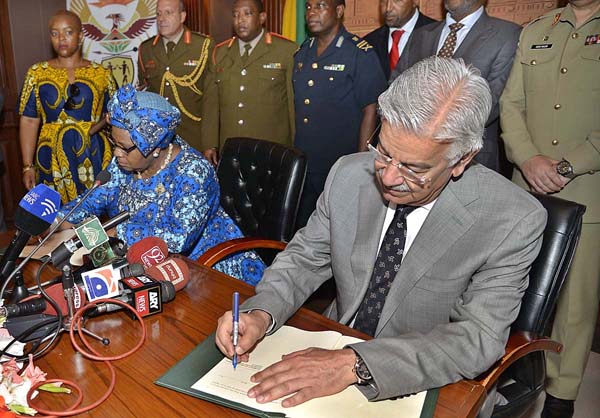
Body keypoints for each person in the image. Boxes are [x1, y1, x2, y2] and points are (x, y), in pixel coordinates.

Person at [215, 57, 546, 416]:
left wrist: (352, 365)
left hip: (431, 381)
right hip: (332, 341)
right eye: (384, 152)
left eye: (413, 168)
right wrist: (261, 312)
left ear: (462, 159)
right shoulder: (349, 174)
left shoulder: (512, 218)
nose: (388, 177)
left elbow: (477, 339)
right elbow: (305, 258)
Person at [56, 85, 265, 285]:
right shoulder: (124, 164)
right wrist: (57, 221)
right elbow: (90, 203)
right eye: (114, 144)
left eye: (125, 148)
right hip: (146, 265)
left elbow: (178, 239)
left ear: (155, 148)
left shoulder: (194, 172)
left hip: (207, 271)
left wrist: (116, 232)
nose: (117, 154)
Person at [499, 1, 600, 417]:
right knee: (509, 288)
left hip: (586, 190)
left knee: (576, 304)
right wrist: (527, 159)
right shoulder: (537, 29)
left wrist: (566, 165)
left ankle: (561, 395)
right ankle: (507, 375)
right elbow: (511, 104)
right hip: (526, 189)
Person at [391, 0, 521, 173]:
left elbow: (493, 102)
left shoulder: (506, 34)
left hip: (469, 161)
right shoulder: (421, 34)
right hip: (407, 156)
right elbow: (394, 88)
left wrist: (433, 133)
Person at [294, 0, 387, 229]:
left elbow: (371, 109)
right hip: (304, 160)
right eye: (308, 7)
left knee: (339, 229)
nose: (312, 12)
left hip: (339, 161)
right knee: (304, 227)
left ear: (339, 11)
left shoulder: (358, 52)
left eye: (320, 6)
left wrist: (361, 160)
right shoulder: (303, 51)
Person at [18, 10, 116, 204]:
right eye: (55, 33)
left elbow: (115, 117)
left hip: (93, 153)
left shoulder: (102, 73)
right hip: (51, 155)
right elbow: (29, 120)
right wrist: (27, 166)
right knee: (53, 216)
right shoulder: (37, 73)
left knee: (95, 217)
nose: (61, 39)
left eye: (68, 32)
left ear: (80, 36)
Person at [137, 0, 218, 160]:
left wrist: (210, 144)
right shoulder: (146, 49)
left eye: (168, 12)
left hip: (193, 138)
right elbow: (145, 97)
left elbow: (211, 101)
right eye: (159, 13)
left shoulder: (203, 46)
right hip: (159, 142)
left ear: (182, 16)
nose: (162, 18)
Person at [212, 0, 297, 152]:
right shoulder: (220, 53)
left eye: (247, 14)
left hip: (271, 148)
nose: (240, 20)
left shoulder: (286, 51)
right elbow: (211, 104)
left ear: (262, 17)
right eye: (235, 15)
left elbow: (293, 105)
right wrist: (210, 144)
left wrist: (295, 147)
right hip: (231, 148)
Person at [364, 0, 436, 80]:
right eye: (383, 1)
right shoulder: (369, 43)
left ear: (415, 1)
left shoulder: (438, 35)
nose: (388, 8)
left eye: (397, 1)